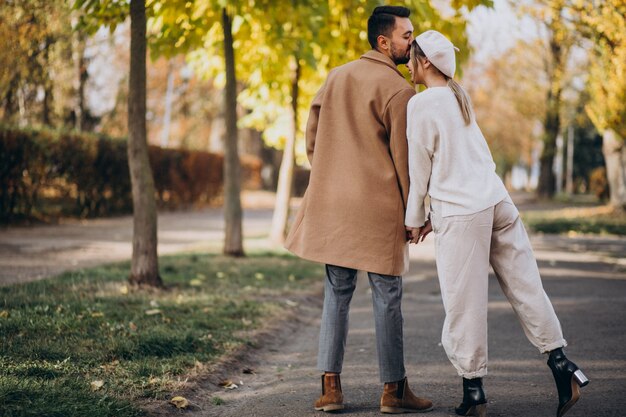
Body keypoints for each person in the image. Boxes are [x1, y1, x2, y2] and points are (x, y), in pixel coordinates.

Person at [403, 30, 589, 417]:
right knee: (526, 287)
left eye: (411, 56)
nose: (407, 63)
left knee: (463, 304)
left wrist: (415, 219)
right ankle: (562, 364)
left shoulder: (421, 105)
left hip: (462, 212)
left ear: (424, 62)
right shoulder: (459, 96)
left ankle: (474, 393)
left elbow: (419, 171)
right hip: (497, 201)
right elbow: (474, 160)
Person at [285, 5, 433, 414]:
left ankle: (330, 389)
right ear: (384, 41)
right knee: (387, 296)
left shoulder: (337, 75)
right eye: (407, 36)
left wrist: (331, 175)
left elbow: (312, 135)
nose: (412, 42)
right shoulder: (400, 90)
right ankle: (393, 391)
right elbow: (405, 160)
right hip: (380, 208)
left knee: (337, 292)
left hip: (334, 205)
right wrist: (415, 212)